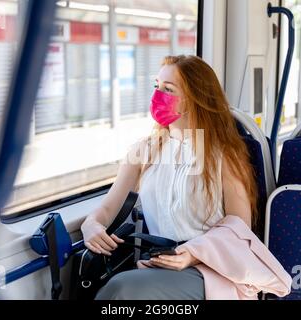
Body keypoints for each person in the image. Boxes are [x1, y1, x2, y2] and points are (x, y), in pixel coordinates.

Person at [81, 55, 260, 300]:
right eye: (156, 86)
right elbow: (108, 208)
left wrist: (192, 254)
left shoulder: (224, 156)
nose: (157, 95)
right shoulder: (144, 150)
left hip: (210, 268)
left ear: (194, 99)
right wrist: (90, 225)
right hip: (160, 261)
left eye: (168, 89)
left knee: (122, 289)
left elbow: (239, 228)